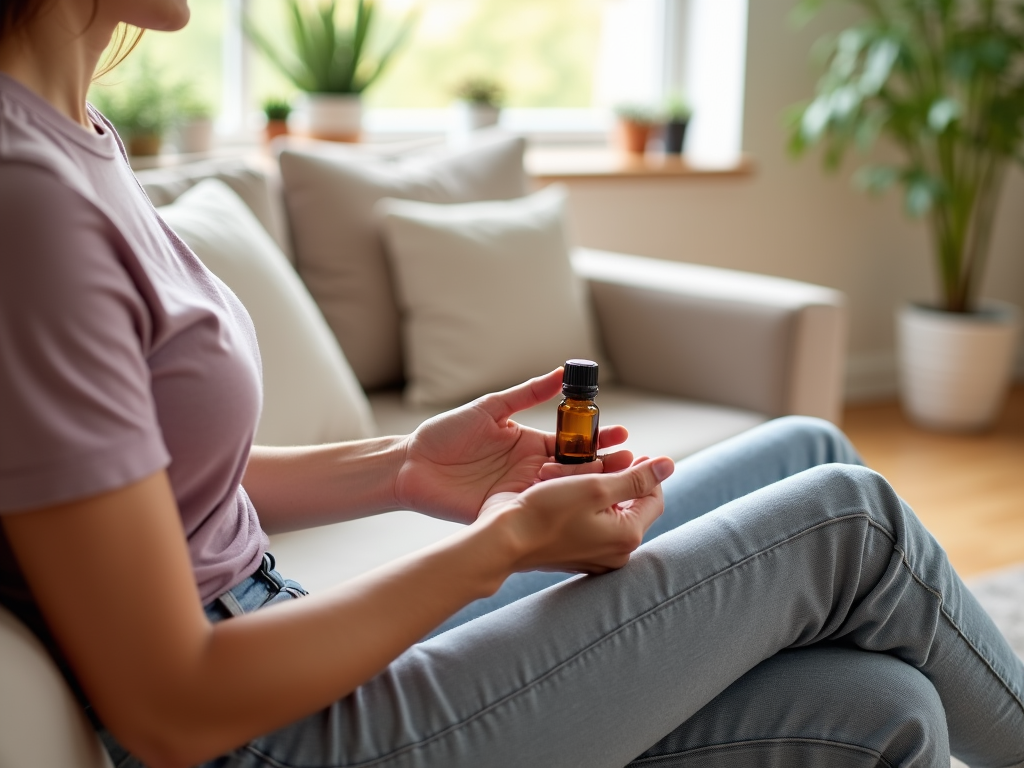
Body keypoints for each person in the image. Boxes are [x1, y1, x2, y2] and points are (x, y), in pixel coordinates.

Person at [0, 2, 1022, 767]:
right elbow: (167, 705)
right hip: (258, 733)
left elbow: (159, 483)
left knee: (874, 679)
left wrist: (401, 466)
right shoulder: (25, 198)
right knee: (849, 524)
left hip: (280, 629)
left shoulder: (76, 131)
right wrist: (505, 545)